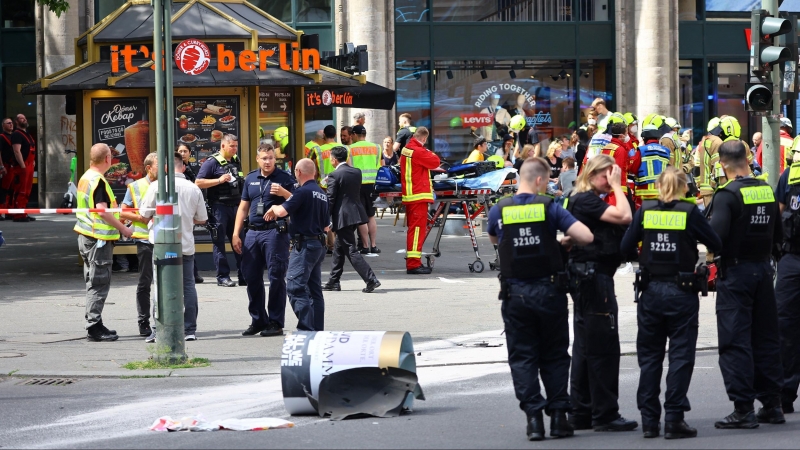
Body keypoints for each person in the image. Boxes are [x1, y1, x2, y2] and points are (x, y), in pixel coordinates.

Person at [488, 157, 594, 441]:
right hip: (549, 292)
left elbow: (497, 240)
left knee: (522, 358)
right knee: (555, 356)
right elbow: (585, 235)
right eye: (547, 181)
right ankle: (559, 419)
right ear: (539, 180)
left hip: (515, 294)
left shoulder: (499, 208)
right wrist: (558, 242)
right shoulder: (549, 207)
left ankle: (534, 420)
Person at [621, 167, 722, 439]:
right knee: (680, 356)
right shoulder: (690, 213)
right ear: (684, 187)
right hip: (682, 292)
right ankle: (674, 419)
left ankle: (650, 422)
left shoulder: (646, 211)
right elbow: (715, 241)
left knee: (650, 358)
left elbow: (625, 246)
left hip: (650, 291)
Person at [709, 140, 785, 429]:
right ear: (746, 158)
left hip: (736, 273)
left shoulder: (726, 194)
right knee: (766, 336)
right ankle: (772, 404)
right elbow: (777, 233)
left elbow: (716, 238)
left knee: (735, 339)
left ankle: (743, 409)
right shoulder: (765, 190)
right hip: (764, 271)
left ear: (723, 163)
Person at [564, 154, 636, 432]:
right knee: (604, 347)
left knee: (584, 346)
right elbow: (625, 215)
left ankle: (580, 411)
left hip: (587, 276)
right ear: (592, 174)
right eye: (606, 175)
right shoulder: (585, 199)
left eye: (613, 175)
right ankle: (605, 414)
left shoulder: (579, 198)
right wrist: (619, 186)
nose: (610, 180)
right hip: (593, 278)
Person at [139, 153, 208, 342]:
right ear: (183, 168)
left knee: (159, 285)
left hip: (161, 244)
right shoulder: (194, 189)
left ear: (166, 168)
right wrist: (186, 218)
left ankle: (158, 328)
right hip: (185, 245)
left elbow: (144, 215)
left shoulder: (156, 187)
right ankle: (189, 329)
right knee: (188, 286)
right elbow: (202, 219)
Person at [232, 143, 294, 337]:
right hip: (252, 233)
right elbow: (243, 208)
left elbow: (298, 201)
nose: (268, 162)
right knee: (251, 277)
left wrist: (284, 193)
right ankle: (258, 320)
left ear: (275, 159)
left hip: (275, 233)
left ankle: (275, 322)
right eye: (264, 158)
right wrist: (236, 233)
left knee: (276, 277)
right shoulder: (250, 178)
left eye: (271, 158)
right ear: (257, 159)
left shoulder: (285, 178)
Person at [74, 143, 134, 342]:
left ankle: (94, 322)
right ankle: (94, 326)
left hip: (86, 235)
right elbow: (101, 210)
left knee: (93, 281)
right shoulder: (98, 180)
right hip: (97, 239)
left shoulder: (85, 177)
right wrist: (123, 228)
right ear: (108, 158)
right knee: (99, 282)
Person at [264, 158, 329, 331]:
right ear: (314, 172)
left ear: (298, 172)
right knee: (314, 291)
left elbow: (282, 211)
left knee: (294, 286)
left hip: (304, 245)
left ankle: (307, 329)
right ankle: (317, 331)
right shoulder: (321, 193)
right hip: (318, 244)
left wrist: (274, 208)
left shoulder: (302, 192)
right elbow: (326, 226)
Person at [322, 146, 381, 293]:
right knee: (338, 248)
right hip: (355, 214)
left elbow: (331, 198)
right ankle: (333, 281)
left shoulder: (334, 175)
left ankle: (370, 279)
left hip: (342, 216)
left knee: (350, 249)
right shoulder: (356, 172)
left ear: (334, 160)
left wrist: (325, 218)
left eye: (330, 158)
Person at [195, 134, 244, 287]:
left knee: (240, 241)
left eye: (236, 146)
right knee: (219, 242)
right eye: (232, 146)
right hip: (219, 208)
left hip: (236, 207)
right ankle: (223, 277)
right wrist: (219, 180)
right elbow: (198, 182)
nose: (235, 149)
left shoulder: (236, 161)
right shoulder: (211, 162)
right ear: (223, 146)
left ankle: (244, 275)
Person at [772, 150, 800, 414]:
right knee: (785, 325)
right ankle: (784, 394)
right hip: (792, 258)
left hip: (792, 260)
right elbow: (778, 214)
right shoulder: (789, 177)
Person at [119, 152, 157, 337]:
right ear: (149, 168)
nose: (165, 169)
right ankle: (144, 321)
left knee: (167, 282)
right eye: (160, 165)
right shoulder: (135, 186)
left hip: (167, 240)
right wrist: (141, 218)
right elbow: (123, 213)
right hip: (144, 240)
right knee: (145, 282)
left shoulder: (169, 184)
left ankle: (166, 320)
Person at [400, 127, 440, 275]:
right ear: (424, 138)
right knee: (417, 231)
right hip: (418, 195)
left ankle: (413, 262)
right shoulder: (418, 151)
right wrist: (429, 151)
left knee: (413, 230)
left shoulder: (407, 149)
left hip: (411, 196)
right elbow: (435, 161)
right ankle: (413, 264)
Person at [349, 125, 382, 254]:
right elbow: (380, 166)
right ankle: (373, 245)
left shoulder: (350, 149)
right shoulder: (377, 147)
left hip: (357, 184)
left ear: (355, 135)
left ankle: (364, 245)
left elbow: (350, 167)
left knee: (361, 217)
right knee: (371, 216)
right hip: (372, 185)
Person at [177, 144, 204, 284]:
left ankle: (193, 272)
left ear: (189, 153)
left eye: (185, 151)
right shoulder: (177, 171)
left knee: (189, 241)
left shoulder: (193, 168)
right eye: (180, 151)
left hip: (191, 208)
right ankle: (192, 273)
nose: (183, 153)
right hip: (179, 210)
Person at [633, 119, 672, 203]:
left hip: (644, 191)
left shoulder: (642, 150)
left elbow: (633, 168)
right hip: (662, 190)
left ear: (644, 137)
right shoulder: (666, 150)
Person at [8, 114, 36, 222]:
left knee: (27, 191)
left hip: (29, 166)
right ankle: (18, 215)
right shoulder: (17, 134)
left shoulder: (27, 134)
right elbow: (17, 151)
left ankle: (23, 213)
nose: (23, 119)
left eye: (24, 118)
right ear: (16, 121)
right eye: (21, 118)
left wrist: (32, 162)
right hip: (22, 167)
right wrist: (23, 165)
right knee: (20, 191)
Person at [0, 117, 15, 216]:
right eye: (8, 123)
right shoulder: (1, 137)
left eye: (11, 123)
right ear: (3, 125)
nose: (11, 124)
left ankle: (10, 211)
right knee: (3, 189)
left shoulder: (15, 136)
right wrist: (1, 166)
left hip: (14, 167)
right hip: (6, 166)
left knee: (12, 189)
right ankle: (1, 211)